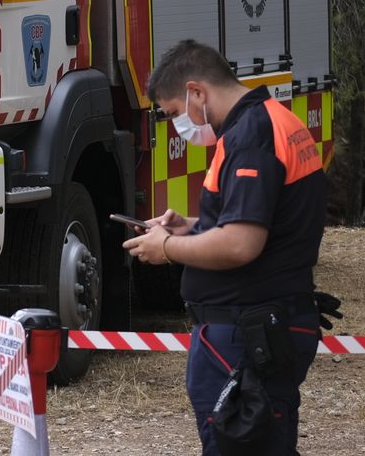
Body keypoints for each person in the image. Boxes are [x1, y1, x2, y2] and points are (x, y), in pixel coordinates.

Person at [123, 40, 328, 455]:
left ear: (197, 92)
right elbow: (263, 220)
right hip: (257, 325)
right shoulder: (271, 120)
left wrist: (168, 248)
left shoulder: (250, 137)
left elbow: (240, 244)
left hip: (248, 331)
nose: (178, 125)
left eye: (174, 113)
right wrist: (190, 227)